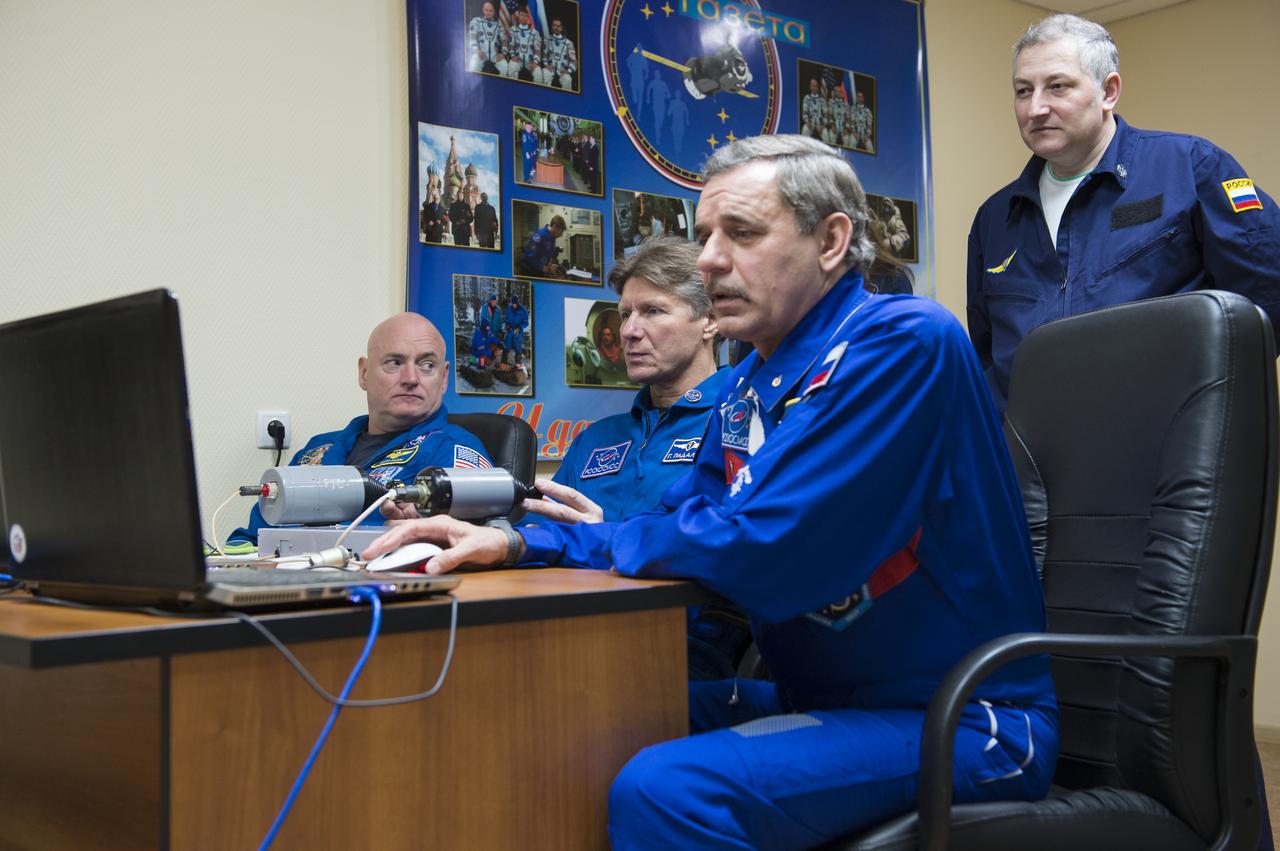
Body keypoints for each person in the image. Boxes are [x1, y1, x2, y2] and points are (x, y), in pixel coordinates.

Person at [364, 134, 1057, 846]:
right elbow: (675, 520)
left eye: (743, 232)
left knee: (668, 791)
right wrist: (514, 540)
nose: (710, 259)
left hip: (967, 717)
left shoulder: (904, 343)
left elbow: (761, 546)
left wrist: (584, 540)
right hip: (818, 696)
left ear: (831, 240)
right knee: (563, 716)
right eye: (705, 236)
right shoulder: (749, 387)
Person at [968, 13, 1280, 412]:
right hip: (1030, 460)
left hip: (1162, 449)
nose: (1036, 108)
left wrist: (1204, 408)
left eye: (1058, 87)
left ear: (1108, 91)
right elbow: (987, 351)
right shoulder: (995, 218)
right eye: (1023, 91)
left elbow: (1264, 300)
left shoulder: (1190, 168)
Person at [521, 236, 748, 680]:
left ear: (710, 321)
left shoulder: (740, 419)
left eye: (653, 311)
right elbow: (540, 532)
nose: (628, 330)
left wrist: (606, 536)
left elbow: (729, 559)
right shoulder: (597, 438)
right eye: (625, 313)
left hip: (678, 645)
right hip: (557, 627)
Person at [227, 313, 491, 547]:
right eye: (394, 362)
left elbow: (490, 542)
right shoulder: (316, 450)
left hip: (381, 594)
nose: (411, 378)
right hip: (284, 591)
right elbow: (252, 537)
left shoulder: (455, 452)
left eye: (427, 365)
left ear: (444, 378)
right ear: (364, 373)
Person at [466, 1, 507, 75]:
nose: (488, 13)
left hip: (494, 55)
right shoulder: (476, 21)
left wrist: (503, 53)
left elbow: (504, 40)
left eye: (491, 11)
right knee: (473, 65)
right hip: (481, 53)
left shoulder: (498, 26)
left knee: (504, 66)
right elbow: (471, 36)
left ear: (494, 12)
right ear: (483, 10)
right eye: (486, 10)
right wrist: (477, 50)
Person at [536, 17, 576, 90]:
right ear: (551, 26)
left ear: (561, 28)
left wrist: (568, 70)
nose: (556, 28)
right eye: (554, 25)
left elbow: (574, 61)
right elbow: (544, 56)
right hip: (550, 68)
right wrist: (546, 65)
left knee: (568, 80)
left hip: (562, 70)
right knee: (545, 74)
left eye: (558, 26)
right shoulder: (547, 40)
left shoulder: (569, 43)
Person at [503, 294, 529, 363]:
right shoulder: (509, 308)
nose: (513, 305)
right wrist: (507, 324)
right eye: (512, 303)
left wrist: (520, 327)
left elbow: (526, 323)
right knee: (506, 346)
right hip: (510, 331)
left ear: (517, 303)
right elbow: (507, 318)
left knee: (518, 349)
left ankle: (517, 365)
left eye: (515, 303)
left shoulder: (523, 310)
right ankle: (503, 363)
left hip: (518, 333)